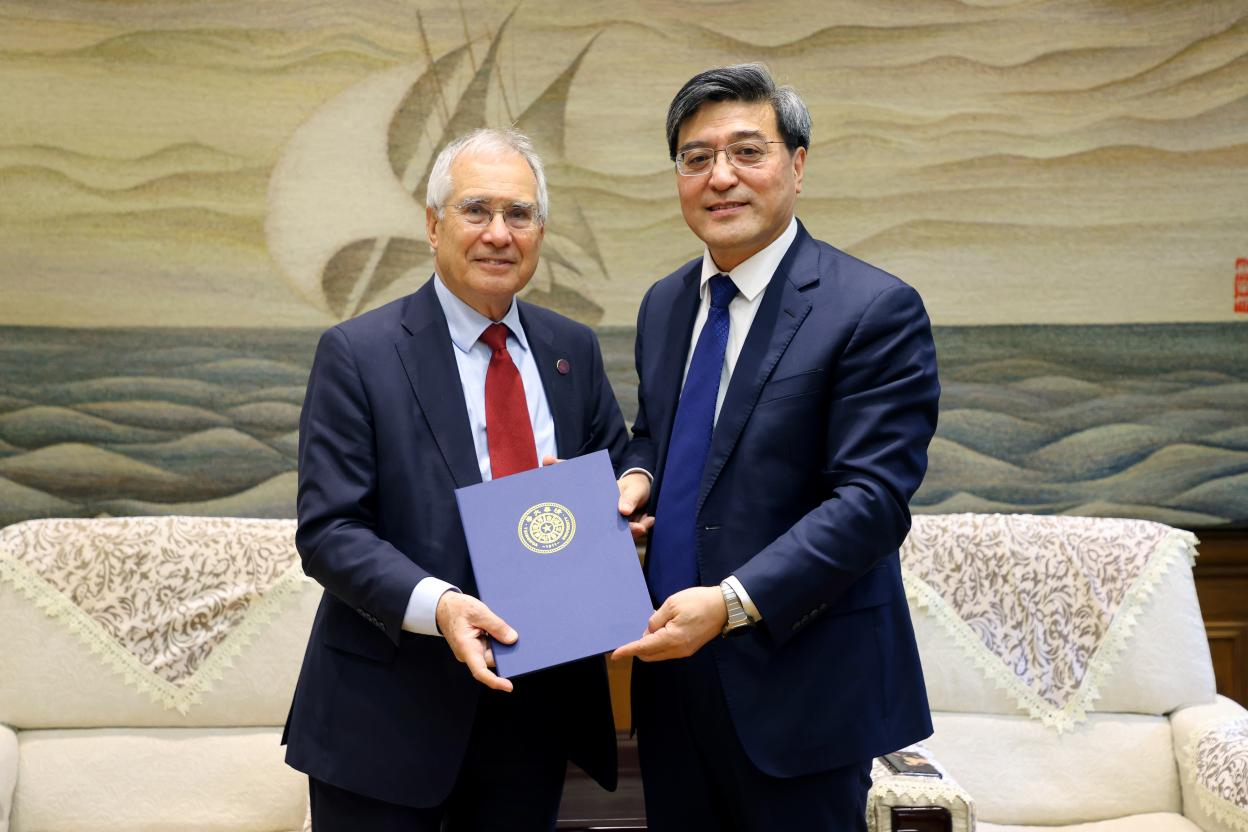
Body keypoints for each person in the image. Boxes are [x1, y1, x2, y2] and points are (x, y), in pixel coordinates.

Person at [613, 64, 940, 831]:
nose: (720, 176)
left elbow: (872, 503)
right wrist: (635, 476)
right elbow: (657, 430)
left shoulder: (873, 309)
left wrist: (731, 604)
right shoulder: (665, 303)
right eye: (696, 158)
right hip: (671, 680)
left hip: (801, 686)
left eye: (746, 152)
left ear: (797, 164)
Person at [283, 128, 628, 831]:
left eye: (520, 213)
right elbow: (330, 532)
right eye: (476, 210)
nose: (499, 233)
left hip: (532, 715)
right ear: (434, 225)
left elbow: (617, 473)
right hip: (386, 717)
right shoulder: (359, 354)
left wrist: (614, 503)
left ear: (540, 231)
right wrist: (441, 606)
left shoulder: (572, 351)